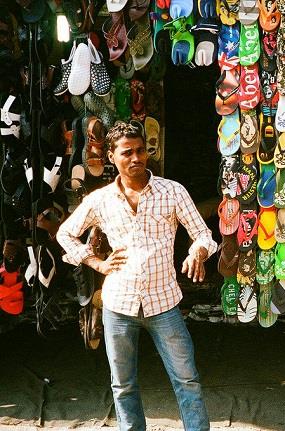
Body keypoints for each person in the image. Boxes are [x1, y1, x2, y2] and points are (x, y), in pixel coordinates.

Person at [57, 122, 218, 431]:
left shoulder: (172, 191)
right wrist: (97, 263)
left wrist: (197, 252)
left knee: (187, 380)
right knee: (123, 385)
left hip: (164, 304)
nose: (136, 158)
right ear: (110, 157)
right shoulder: (100, 200)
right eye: (127, 152)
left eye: (141, 150)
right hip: (118, 305)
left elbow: (203, 235)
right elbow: (66, 234)